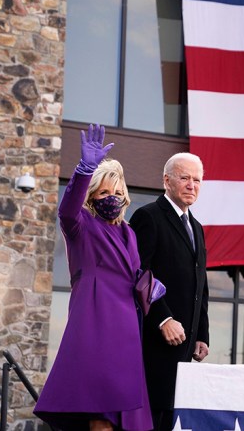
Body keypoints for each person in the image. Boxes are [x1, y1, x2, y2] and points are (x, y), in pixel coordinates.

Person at [34, 124, 152, 431]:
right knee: (101, 413)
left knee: (123, 416)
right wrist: (84, 169)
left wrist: (152, 287)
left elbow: (134, 275)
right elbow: (67, 210)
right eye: (103, 192)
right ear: (92, 196)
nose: (111, 197)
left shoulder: (128, 233)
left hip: (126, 327)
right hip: (95, 324)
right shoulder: (81, 224)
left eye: (116, 192)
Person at [130, 152, 210, 431]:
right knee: (150, 420)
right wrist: (163, 319)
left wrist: (202, 333)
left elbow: (201, 284)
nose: (192, 185)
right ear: (166, 180)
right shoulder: (148, 217)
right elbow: (139, 275)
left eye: (197, 180)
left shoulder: (197, 228)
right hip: (154, 344)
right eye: (185, 177)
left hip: (185, 347)